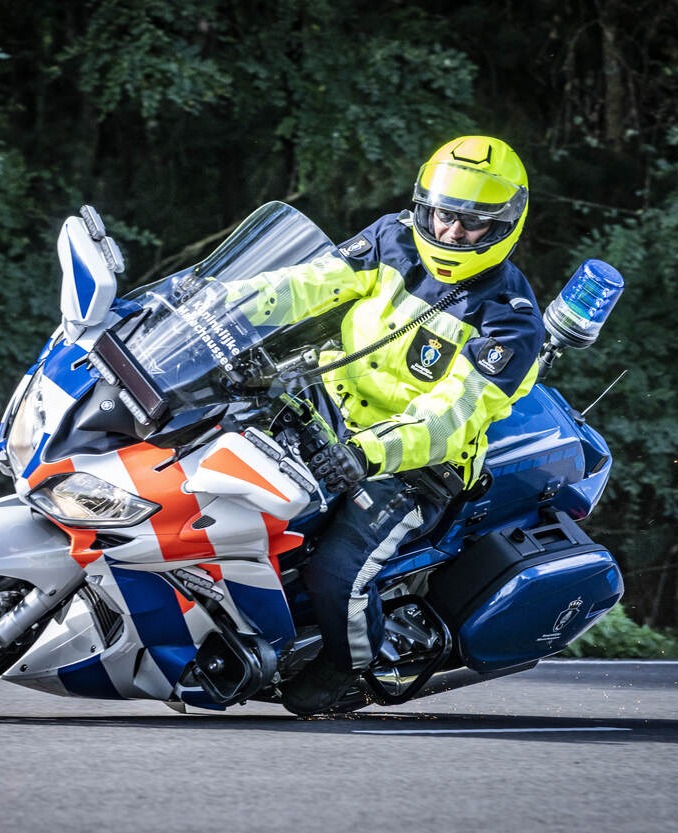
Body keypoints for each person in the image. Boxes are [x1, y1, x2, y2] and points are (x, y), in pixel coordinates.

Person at [259, 135, 546, 715]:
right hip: (326, 413)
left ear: (506, 225)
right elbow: (305, 283)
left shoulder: (510, 322)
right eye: (443, 215)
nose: (450, 233)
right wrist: (220, 302)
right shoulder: (393, 237)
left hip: (416, 468)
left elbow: (449, 415)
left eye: (472, 223)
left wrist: (368, 455)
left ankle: (346, 670)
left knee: (336, 571)